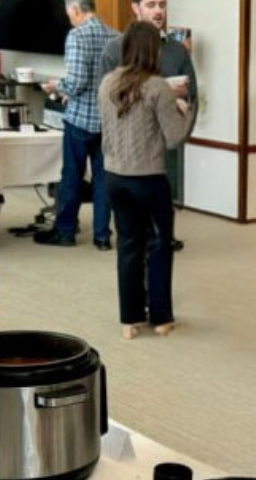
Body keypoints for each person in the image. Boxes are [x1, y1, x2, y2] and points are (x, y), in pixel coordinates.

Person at [98, 22, 194, 340]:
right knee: (159, 246)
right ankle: (162, 318)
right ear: (155, 50)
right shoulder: (157, 87)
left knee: (128, 246)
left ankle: (130, 320)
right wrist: (187, 109)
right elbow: (174, 136)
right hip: (149, 179)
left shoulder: (108, 83)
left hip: (114, 177)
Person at [104, 0, 195, 252]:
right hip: (128, 154)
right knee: (133, 239)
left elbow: (192, 94)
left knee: (160, 229)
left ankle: (162, 237)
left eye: (162, 5)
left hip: (167, 144)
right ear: (135, 8)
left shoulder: (178, 50)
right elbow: (110, 100)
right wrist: (164, 91)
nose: (158, 11)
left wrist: (182, 113)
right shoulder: (114, 49)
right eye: (151, 4)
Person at [37, 0, 116, 250]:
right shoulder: (115, 35)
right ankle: (102, 236)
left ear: (76, 10)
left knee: (71, 176)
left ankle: (66, 232)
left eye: (69, 13)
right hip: (108, 119)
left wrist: (56, 86)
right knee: (104, 180)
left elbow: (78, 81)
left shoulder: (77, 35)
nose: (69, 18)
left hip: (81, 119)